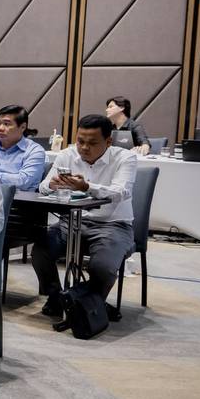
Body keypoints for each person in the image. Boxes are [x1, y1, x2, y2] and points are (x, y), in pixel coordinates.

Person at [33, 114, 137, 315]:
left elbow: (121, 192)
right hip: (70, 222)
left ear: (108, 142)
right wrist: (52, 185)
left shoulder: (125, 158)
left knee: (103, 267)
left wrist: (87, 187)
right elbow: (43, 187)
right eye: (80, 141)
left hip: (112, 225)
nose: (84, 147)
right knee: (40, 252)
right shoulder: (66, 155)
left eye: (92, 143)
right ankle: (57, 298)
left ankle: (84, 304)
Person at [0, 104, 48, 190]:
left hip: (18, 197)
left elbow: (23, 182)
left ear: (23, 127)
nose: (0, 128)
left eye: (6, 124)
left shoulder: (34, 151)